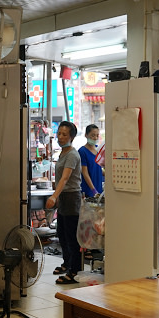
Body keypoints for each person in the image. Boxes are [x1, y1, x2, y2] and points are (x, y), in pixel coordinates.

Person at [46, 121, 83, 284]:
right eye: (59, 133)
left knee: (72, 236)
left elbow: (66, 178)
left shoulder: (72, 155)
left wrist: (54, 196)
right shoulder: (62, 153)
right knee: (62, 233)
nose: (60, 137)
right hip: (64, 198)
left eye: (64, 134)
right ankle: (66, 263)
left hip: (71, 197)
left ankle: (75, 271)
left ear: (72, 137)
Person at [78, 124, 104, 198]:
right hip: (88, 190)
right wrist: (93, 190)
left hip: (99, 188)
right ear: (86, 135)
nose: (95, 138)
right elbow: (84, 172)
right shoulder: (82, 151)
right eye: (92, 135)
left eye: (97, 135)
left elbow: (97, 168)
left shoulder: (98, 150)